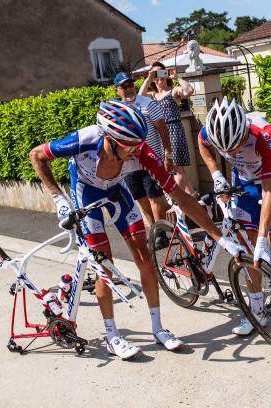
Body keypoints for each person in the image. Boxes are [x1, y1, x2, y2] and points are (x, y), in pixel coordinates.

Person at [30, 100, 246, 359]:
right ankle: (112, 335)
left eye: (138, 145)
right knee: (104, 264)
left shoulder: (141, 151)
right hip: (85, 193)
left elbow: (181, 198)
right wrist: (58, 199)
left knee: (144, 257)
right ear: (110, 139)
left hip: (118, 191)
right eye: (129, 147)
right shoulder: (84, 140)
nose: (136, 151)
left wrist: (221, 238)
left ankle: (158, 328)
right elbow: (37, 155)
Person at [197, 97, 271, 343]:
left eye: (236, 146)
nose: (231, 152)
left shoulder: (265, 135)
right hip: (242, 182)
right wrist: (216, 173)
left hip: (270, 180)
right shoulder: (211, 131)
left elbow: (270, 190)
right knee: (248, 249)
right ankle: (257, 312)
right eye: (226, 150)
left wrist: (265, 236)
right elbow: (202, 144)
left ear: (244, 130)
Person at [115, 71, 172, 227]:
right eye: (124, 87)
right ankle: (154, 230)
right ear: (117, 90)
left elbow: (163, 129)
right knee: (141, 199)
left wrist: (168, 155)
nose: (128, 89)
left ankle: (160, 232)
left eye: (130, 85)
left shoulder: (147, 104)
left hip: (151, 159)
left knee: (155, 197)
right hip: (129, 165)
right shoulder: (117, 110)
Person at [139, 62, 197, 196]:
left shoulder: (173, 91)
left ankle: (176, 201)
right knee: (173, 168)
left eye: (161, 73)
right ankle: (192, 196)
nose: (159, 77)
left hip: (174, 130)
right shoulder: (151, 95)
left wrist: (176, 77)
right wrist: (149, 78)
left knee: (176, 168)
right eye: (156, 74)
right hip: (160, 133)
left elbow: (189, 91)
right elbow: (139, 98)